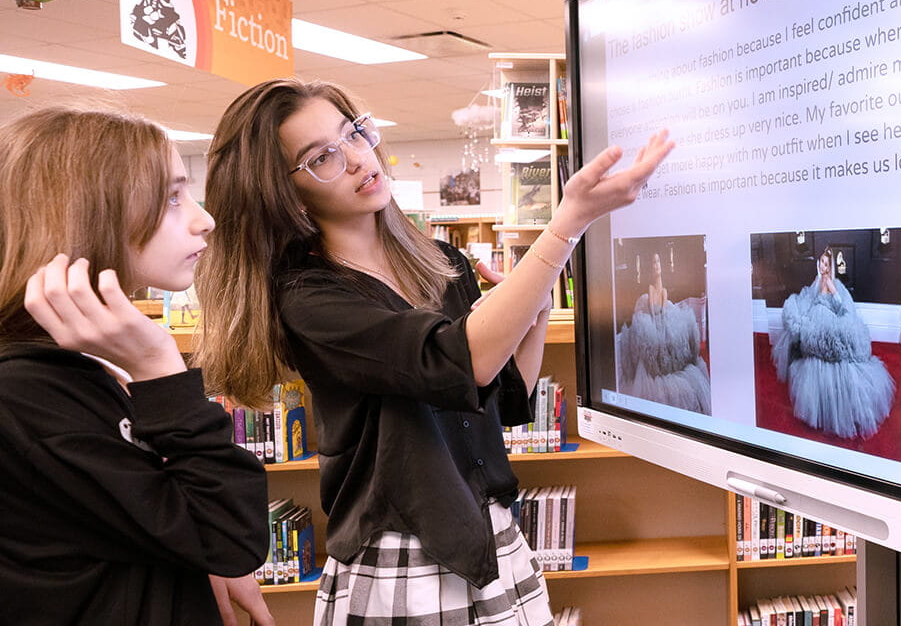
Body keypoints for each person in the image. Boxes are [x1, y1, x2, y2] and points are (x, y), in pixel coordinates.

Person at [193, 79, 671, 625]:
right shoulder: (309, 298)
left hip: (493, 536)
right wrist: (566, 225)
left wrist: (533, 297)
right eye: (321, 157)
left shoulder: (440, 261)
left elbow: (504, 393)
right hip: (403, 555)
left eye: (352, 133)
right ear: (282, 192)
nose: (355, 158)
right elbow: (454, 361)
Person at [0, 107, 271, 624]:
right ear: (81, 217)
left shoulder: (72, 366)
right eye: (171, 198)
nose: (203, 218)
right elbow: (232, 535)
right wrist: (161, 369)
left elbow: (157, 519)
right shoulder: (27, 396)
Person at [771, 246, 895, 439]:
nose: (823, 266)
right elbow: (808, 302)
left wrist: (830, 288)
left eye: (827, 264)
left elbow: (844, 307)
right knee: (805, 339)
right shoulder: (815, 282)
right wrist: (804, 316)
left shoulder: (832, 282)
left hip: (828, 319)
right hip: (813, 319)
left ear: (831, 267)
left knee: (831, 352)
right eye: (821, 262)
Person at [616, 252, 712, 414]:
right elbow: (649, 313)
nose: (657, 266)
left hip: (664, 322)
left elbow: (663, 304)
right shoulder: (646, 296)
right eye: (654, 263)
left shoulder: (664, 292)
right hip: (652, 328)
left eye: (658, 262)